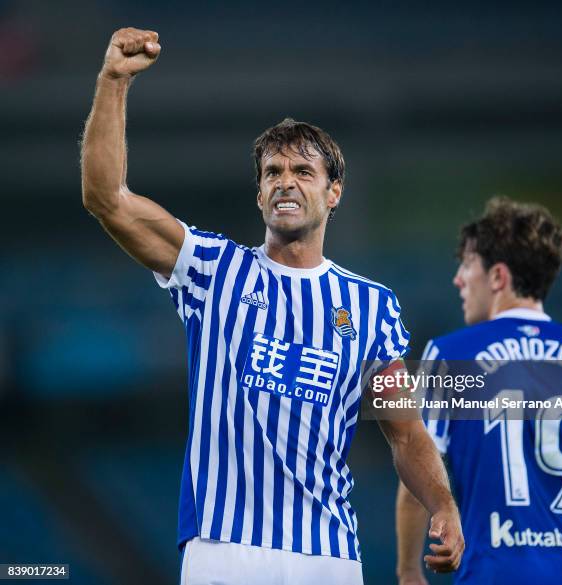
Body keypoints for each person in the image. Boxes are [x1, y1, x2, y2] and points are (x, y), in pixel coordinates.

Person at [80, 28, 464, 585]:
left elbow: (405, 433)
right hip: (224, 549)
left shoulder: (371, 306)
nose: (287, 183)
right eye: (273, 173)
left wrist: (444, 505)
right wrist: (114, 80)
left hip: (329, 553)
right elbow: (106, 198)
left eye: (303, 172)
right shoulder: (212, 269)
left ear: (333, 193)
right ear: (259, 194)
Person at [396, 196, 562, 585]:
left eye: (466, 265)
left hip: (497, 572)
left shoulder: (451, 355)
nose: (458, 279)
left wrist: (409, 571)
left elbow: (415, 471)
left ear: (497, 277)